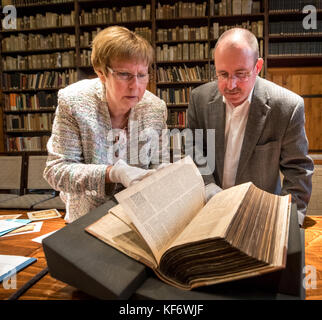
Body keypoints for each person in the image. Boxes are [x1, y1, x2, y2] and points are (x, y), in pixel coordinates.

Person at [188, 28, 314, 225]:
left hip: (261, 217)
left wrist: (288, 223)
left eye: (241, 74)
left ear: (258, 67)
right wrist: (207, 185)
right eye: (223, 74)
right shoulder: (199, 99)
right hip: (210, 213)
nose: (231, 85)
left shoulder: (287, 106)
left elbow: (298, 170)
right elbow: (194, 150)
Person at [44, 26, 169, 223]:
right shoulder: (73, 101)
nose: (135, 85)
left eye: (142, 75)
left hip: (138, 219)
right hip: (86, 220)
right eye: (125, 74)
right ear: (101, 73)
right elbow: (57, 172)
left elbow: (162, 163)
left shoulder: (155, 108)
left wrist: (165, 174)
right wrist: (112, 173)